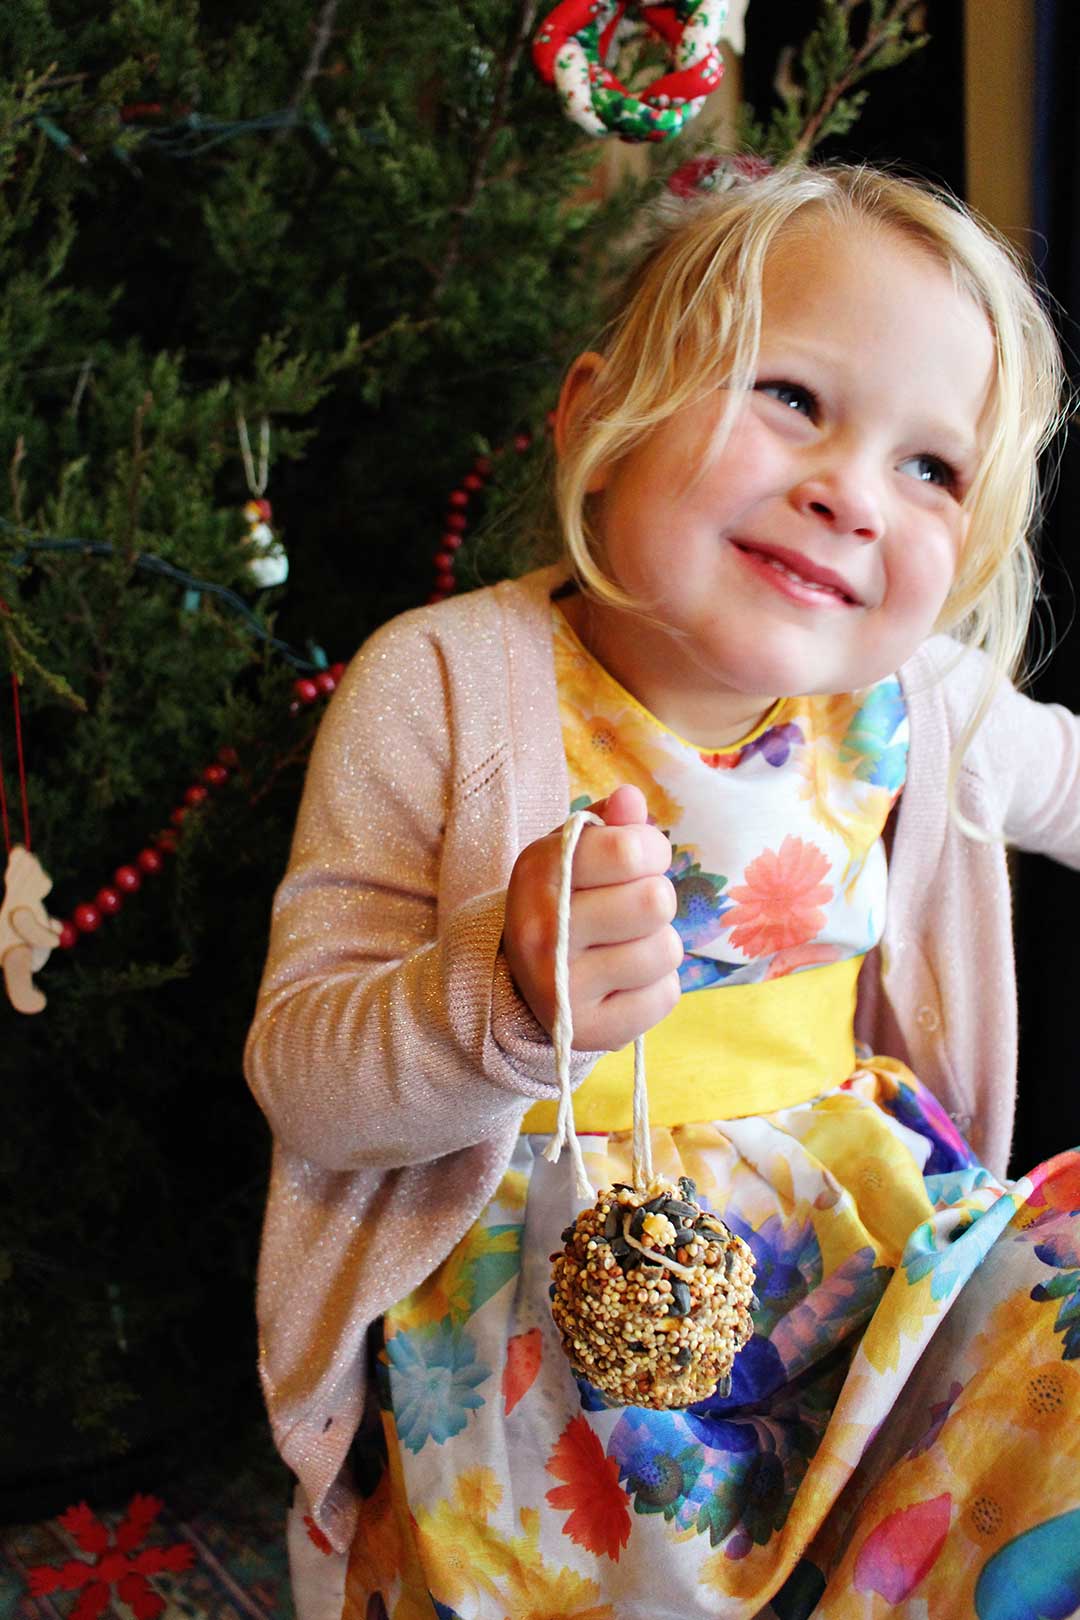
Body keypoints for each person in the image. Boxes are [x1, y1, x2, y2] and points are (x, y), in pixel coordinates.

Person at [244, 162, 1080, 1620]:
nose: (848, 493)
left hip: (865, 1256)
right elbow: (306, 1082)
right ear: (597, 421)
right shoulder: (442, 684)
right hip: (544, 1339)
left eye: (930, 468)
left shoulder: (917, 699)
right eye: (792, 397)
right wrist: (501, 1000)